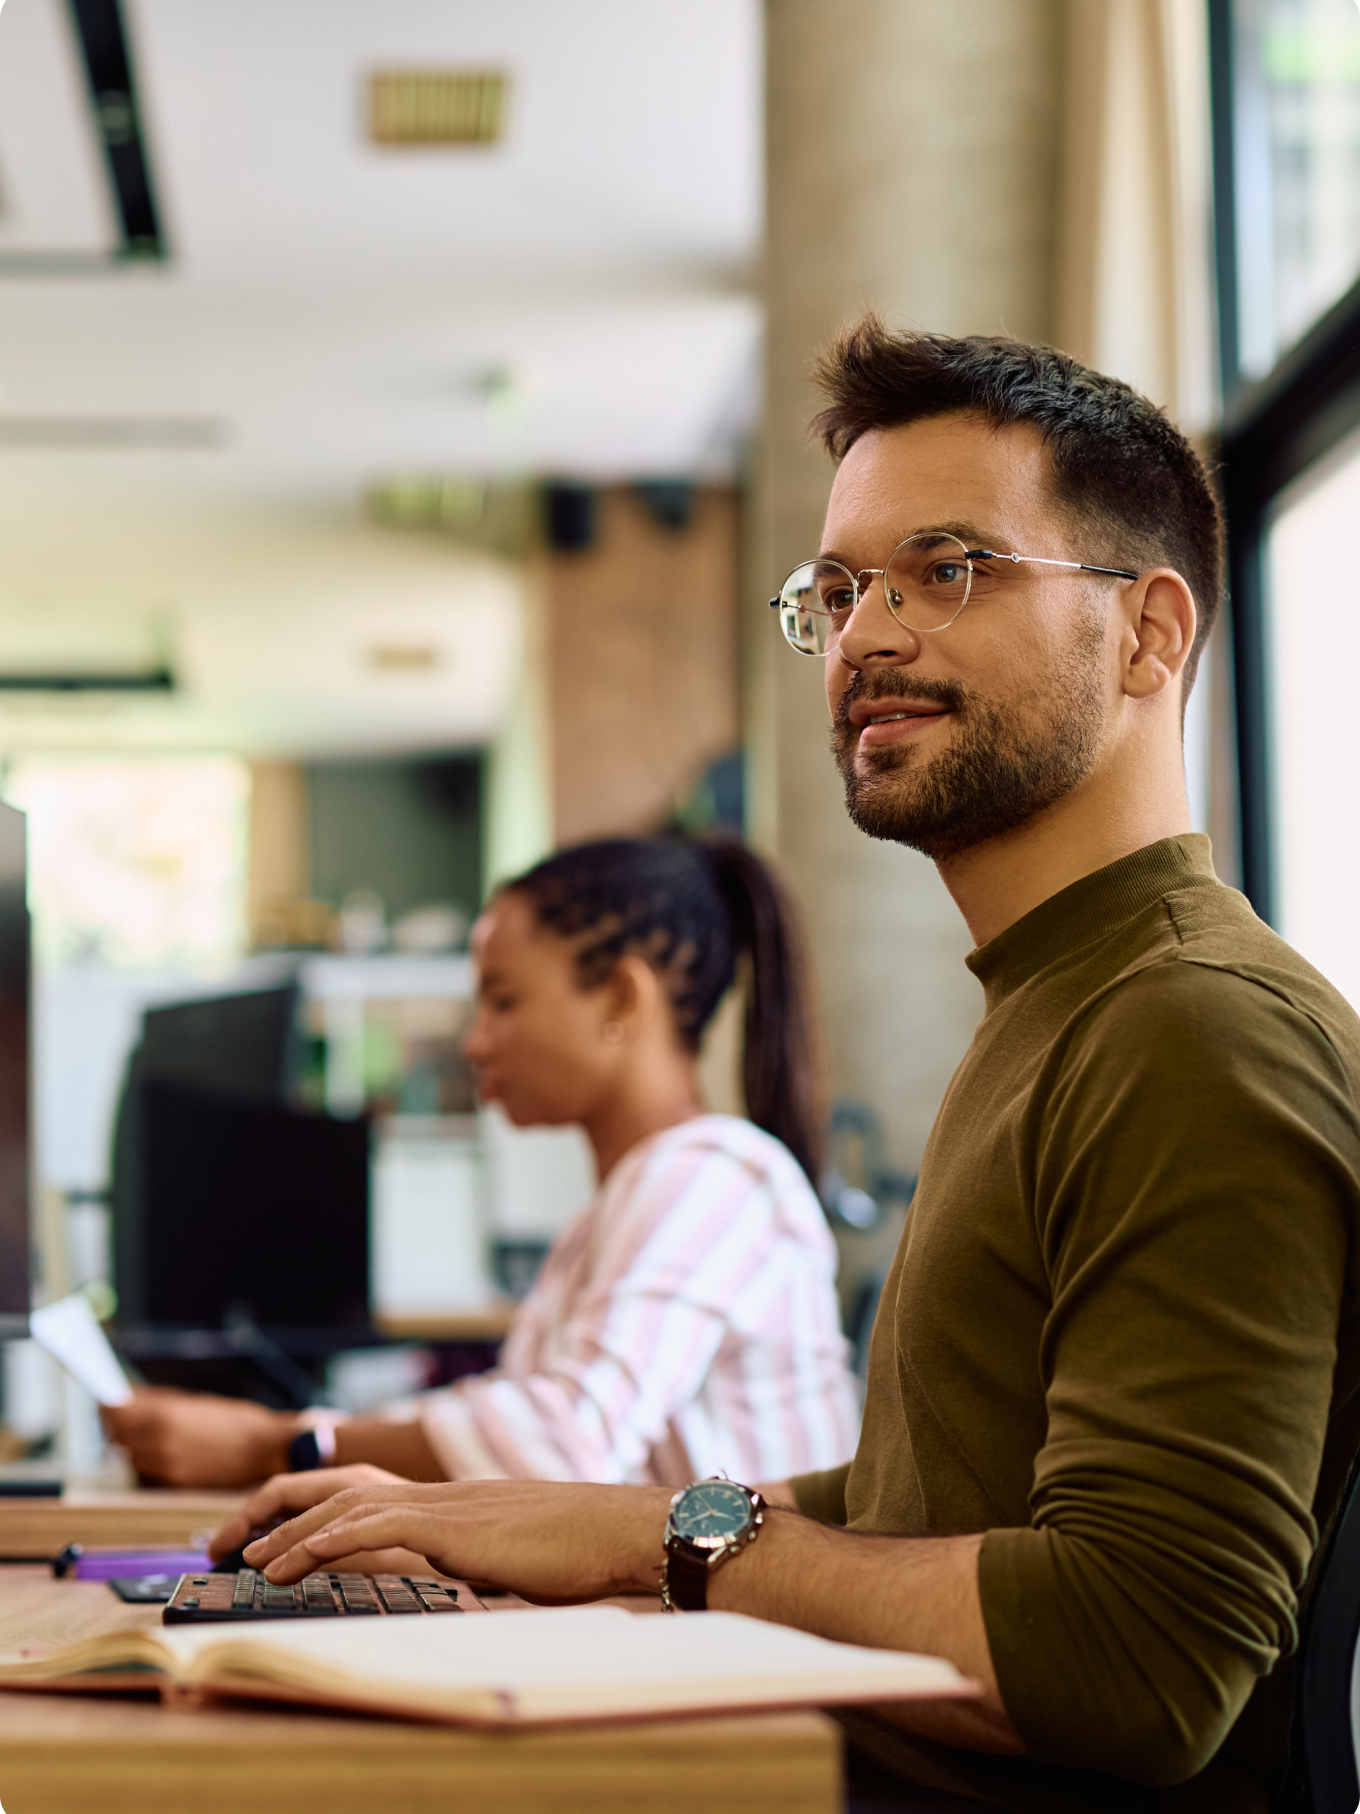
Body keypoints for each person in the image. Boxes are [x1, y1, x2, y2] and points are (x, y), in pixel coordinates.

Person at [222, 320, 1360, 1813]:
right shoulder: (1053, 1005)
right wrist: (585, 1519)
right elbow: (910, 1514)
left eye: (945, 570)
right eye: (835, 591)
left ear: (1148, 633)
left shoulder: (1191, 1028)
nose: (867, 637)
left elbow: (1136, 1661)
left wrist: (664, 1547)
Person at [108, 837, 858, 1493]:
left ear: (623, 997)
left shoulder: (715, 1174)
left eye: (503, 1001)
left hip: (751, 1639)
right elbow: (517, 1418)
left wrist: (277, 1446)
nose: (475, 1042)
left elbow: (562, 1442)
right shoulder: (619, 1209)